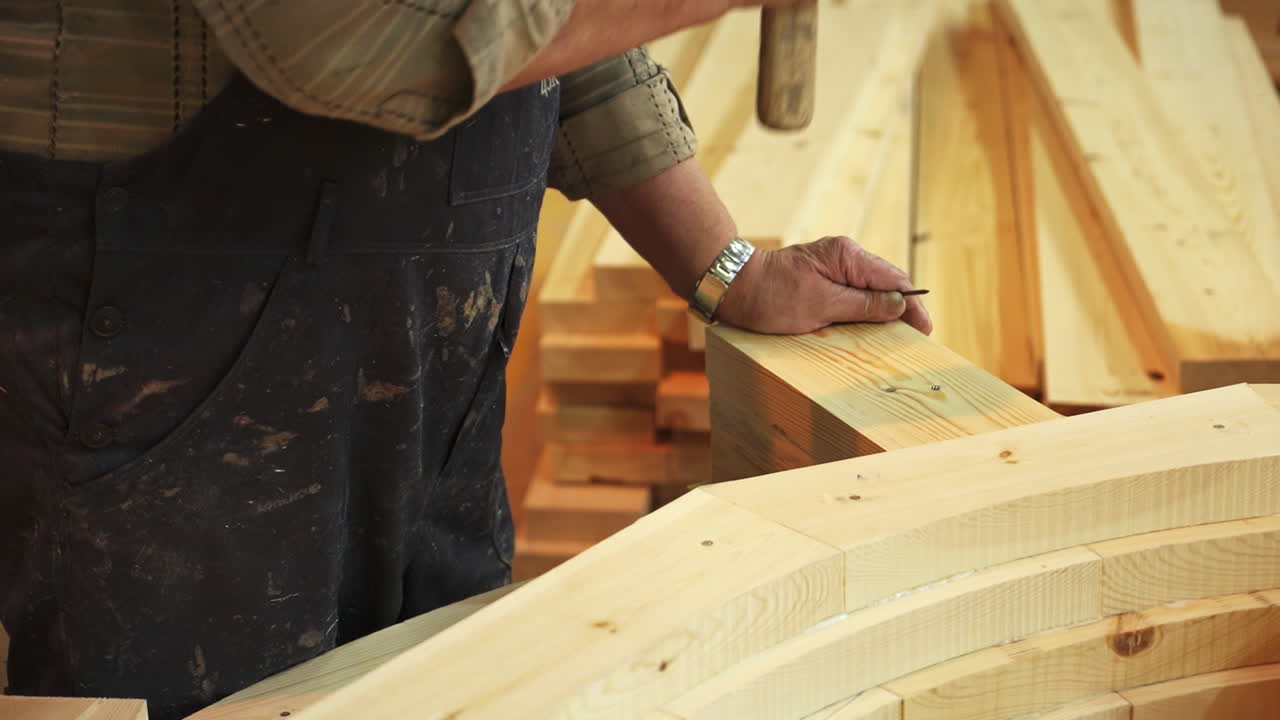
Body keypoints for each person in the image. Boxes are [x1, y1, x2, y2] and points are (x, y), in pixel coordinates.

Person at [0, 1, 931, 718]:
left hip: (422, 365)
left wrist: (730, 269)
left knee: (442, 681)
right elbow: (356, 32)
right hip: (167, 347)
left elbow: (565, 37)